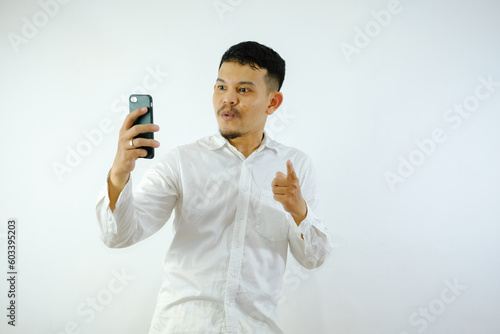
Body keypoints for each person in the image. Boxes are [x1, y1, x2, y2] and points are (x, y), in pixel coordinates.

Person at [96, 41, 333, 334]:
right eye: (221, 87)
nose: (227, 100)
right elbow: (119, 235)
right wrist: (119, 173)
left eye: (243, 90)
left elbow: (314, 258)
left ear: (273, 102)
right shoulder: (182, 162)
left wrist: (299, 209)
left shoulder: (295, 165)